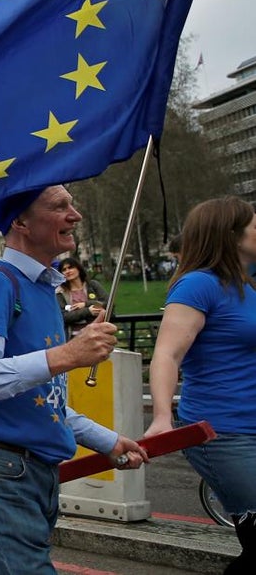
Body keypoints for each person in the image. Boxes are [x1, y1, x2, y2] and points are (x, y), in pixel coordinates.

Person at [0, 186, 147, 573]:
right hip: (0, 468)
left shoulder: (43, 289)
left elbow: (42, 399)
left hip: (29, 468)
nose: (76, 215)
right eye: (60, 207)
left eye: (71, 204)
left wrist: (105, 439)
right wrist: (68, 355)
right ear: (20, 222)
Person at [144, 196, 256, 574]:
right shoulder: (197, 286)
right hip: (221, 432)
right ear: (231, 235)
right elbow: (167, 355)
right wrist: (162, 417)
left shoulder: (247, 287)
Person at [55, 256, 108, 335]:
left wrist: (85, 304)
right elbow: (63, 316)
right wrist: (88, 311)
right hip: (73, 336)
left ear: (78, 269)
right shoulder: (60, 292)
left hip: (98, 333)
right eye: (64, 270)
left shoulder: (93, 285)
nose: (67, 271)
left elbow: (107, 303)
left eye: (70, 267)